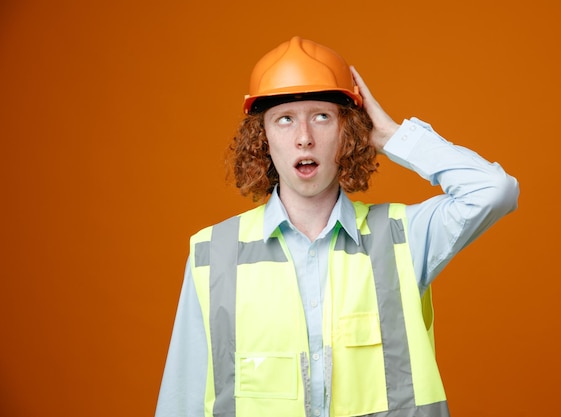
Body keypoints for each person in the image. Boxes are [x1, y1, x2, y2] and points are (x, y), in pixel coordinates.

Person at [155, 36, 519, 417]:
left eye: (323, 116)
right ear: (262, 139)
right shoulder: (213, 254)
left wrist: (393, 136)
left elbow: (494, 191)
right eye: (285, 119)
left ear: (349, 132)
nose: (304, 138)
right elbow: (181, 401)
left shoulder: (402, 238)